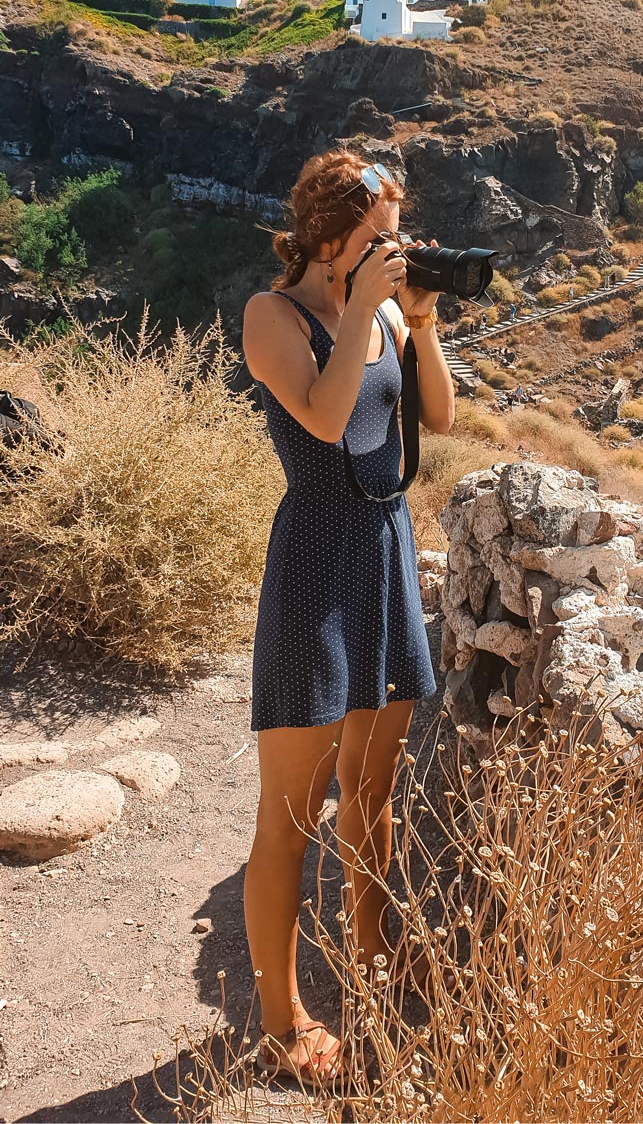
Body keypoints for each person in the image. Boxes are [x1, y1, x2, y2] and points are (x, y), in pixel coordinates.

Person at [241, 149, 455, 1087]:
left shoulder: (385, 320)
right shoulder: (273, 318)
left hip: (387, 556)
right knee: (290, 818)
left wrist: (422, 322)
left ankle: (372, 950)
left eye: (399, 236)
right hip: (315, 571)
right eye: (381, 238)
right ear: (331, 241)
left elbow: (437, 418)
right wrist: (364, 309)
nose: (396, 249)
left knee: (374, 790)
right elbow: (326, 425)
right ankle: (280, 1020)